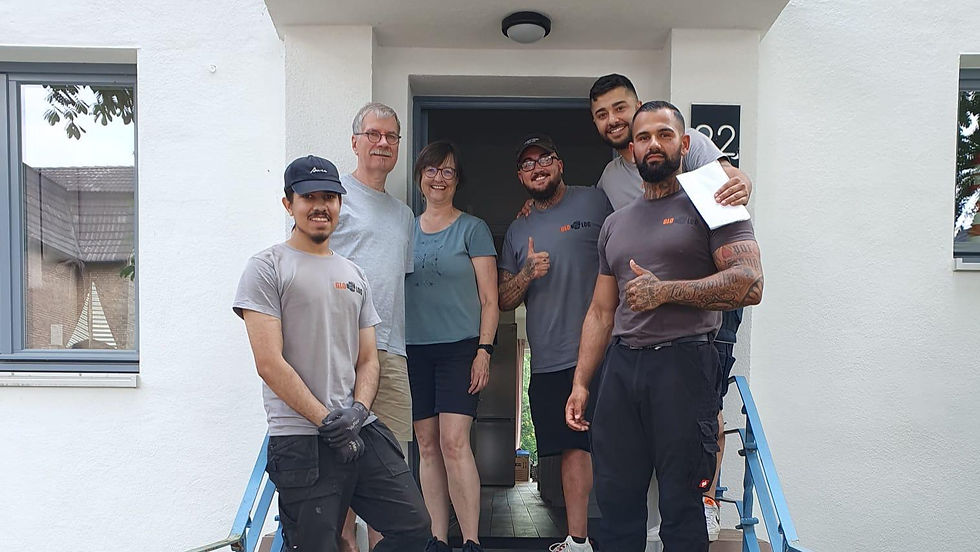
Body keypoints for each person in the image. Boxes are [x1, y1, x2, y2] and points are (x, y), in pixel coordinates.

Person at [565, 101, 764, 551]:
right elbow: (600, 311)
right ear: (631, 150)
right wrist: (581, 383)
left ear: (685, 144)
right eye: (643, 137)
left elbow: (750, 283)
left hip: (685, 363)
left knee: (682, 507)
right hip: (621, 369)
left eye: (665, 134)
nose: (653, 144)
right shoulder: (615, 223)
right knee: (614, 503)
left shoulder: (715, 203)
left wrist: (667, 292)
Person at [233, 155, 431, 552]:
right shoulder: (267, 267)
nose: (320, 205)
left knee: (414, 528)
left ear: (340, 204)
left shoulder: (354, 274)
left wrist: (357, 411)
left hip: (358, 426)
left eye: (330, 196)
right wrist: (327, 422)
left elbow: (368, 359)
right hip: (301, 437)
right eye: (309, 196)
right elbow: (269, 363)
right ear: (289, 203)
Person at [498, 135, 612, 552]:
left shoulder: (597, 202)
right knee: (571, 447)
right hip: (549, 358)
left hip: (605, 349)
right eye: (528, 163)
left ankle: (621, 534)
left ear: (559, 164)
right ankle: (578, 539)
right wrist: (526, 273)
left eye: (544, 158)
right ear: (520, 177)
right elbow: (504, 299)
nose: (537, 167)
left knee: (619, 445)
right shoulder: (518, 229)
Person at [329, 102, 416, 551]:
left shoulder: (404, 216)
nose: (383, 143)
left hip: (390, 353)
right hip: (340, 351)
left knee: (391, 474)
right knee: (341, 470)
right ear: (355, 142)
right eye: (374, 134)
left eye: (391, 136)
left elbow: (395, 280)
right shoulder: (333, 197)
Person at [404, 141, 498, 552]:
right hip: (413, 349)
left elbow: (491, 300)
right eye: (431, 170)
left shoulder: (472, 229)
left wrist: (484, 350)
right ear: (419, 177)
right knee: (426, 445)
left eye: (447, 171)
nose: (438, 178)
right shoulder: (403, 229)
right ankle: (438, 540)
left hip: (461, 348)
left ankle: (471, 540)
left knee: (453, 442)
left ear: (457, 180)